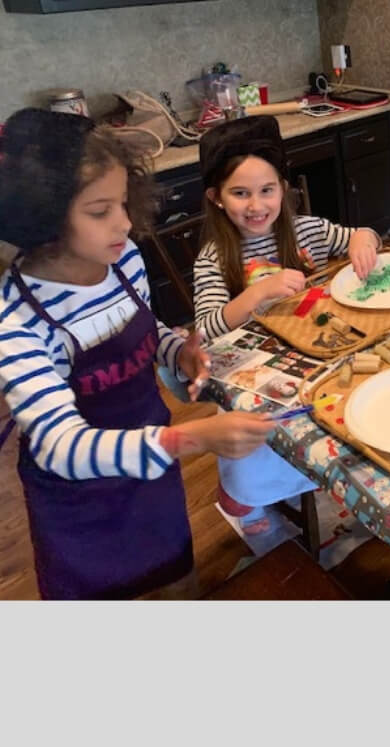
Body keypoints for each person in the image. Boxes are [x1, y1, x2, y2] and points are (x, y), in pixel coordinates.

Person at [0, 108, 274, 600]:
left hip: (153, 470)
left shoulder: (122, 258)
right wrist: (191, 440)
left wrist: (177, 351)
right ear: (45, 214)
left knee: (175, 580)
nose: (125, 224)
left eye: (124, 203)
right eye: (100, 210)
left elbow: (147, 332)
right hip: (83, 504)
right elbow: (62, 447)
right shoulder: (18, 320)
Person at [193, 115, 381, 536]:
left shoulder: (305, 231)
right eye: (240, 193)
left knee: (347, 413)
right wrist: (257, 293)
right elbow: (206, 328)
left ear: (283, 188)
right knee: (261, 445)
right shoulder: (213, 257)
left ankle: (320, 481)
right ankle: (243, 498)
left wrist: (362, 240)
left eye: (267, 190)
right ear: (217, 197)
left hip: (316, 356)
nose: (256, 205)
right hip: (254, 377)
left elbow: (361, 234)